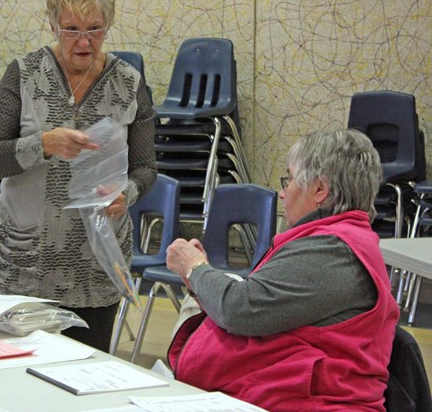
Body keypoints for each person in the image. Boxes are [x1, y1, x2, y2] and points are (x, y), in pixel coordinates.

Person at [0, 0, 157, 352]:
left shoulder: (129, 82)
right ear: (52, 23)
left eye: (95, 29)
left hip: (95, 268)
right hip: (26, 266)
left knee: (86, 383)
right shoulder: (24, 74)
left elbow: (146, 167)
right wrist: (42, 143)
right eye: (71, 29)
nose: (83, 42)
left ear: (109, 24)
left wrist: (129, 191)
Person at [165, 129, 399, 411]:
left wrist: (195, 268)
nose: (282, 192)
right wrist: (201, 282)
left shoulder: (333, 250)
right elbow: (259, 305)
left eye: (289, 179)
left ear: (320, 190)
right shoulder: (331, 241)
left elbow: (241, 309)